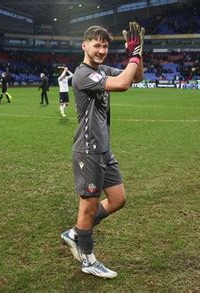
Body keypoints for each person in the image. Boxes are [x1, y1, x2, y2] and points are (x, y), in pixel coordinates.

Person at [61, 22, 145, 279]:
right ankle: (87, 259)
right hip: (88, 150)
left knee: (118, 200)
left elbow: (136, 78)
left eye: (105, 46)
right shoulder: (82, 74)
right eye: (96, 45)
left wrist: (138, 53)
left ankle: (76, 232)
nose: (101, 50)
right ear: (84, 46)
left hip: (104, 150)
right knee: (88, 206)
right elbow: (120, 84)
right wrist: (132, 56)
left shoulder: (101, 69)